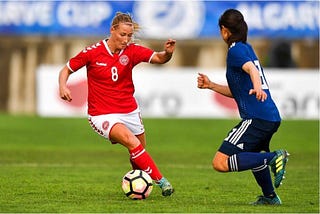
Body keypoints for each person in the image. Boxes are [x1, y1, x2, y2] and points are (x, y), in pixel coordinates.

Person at [58, 12, 175, 196]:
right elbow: (67, 69)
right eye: (123, 35)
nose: (126, 39)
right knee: (131, 142)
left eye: (129, 36)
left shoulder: (132, 50)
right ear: (112, 30)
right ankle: (162, 182)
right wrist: (63, 86)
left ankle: (139, 188)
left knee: (138, 152)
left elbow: (159, 58)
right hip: (102, 114)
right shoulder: (92, 52)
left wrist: (167, 53)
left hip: (129, 111)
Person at [197, 9, 289, 205]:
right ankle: (270, 197)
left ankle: (274, 157)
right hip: (269, 117)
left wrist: (257, 87)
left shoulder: (236, 50)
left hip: (257, 118)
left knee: (220, 162)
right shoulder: (247, 48)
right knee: (254, 157)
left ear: (224, 30)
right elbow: (238, 91)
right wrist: (211, 85)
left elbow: (252, 70)